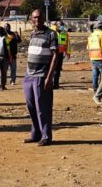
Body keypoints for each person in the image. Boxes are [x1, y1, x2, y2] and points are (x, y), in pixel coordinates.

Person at [22, 10, 59, 146]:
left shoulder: (51, 34)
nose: (37, 19)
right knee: (31, 106)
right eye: (34, 17)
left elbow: (55, 56)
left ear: (43, 18)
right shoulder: (32, 34)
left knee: (42, 108)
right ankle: (36, 134)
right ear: (31, 19)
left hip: (41, 76)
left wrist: (49, 77)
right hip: (29, 76)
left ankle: (46, 136)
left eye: (39, 17)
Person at [52, 22, 69, 89]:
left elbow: (68, 43)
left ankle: (56, 84)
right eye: (60, 25)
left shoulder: (65, 33)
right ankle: (52, 83)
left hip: (60, 53)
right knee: (52, 69)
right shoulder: (52, 32)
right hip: (52, 53)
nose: (61, 27)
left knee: (57, 69)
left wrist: (68, 52)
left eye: (62, 25)